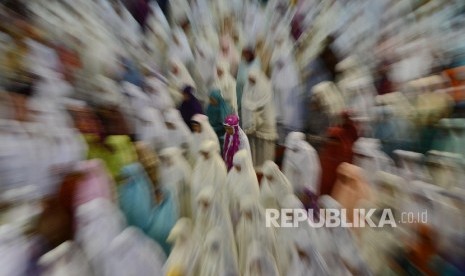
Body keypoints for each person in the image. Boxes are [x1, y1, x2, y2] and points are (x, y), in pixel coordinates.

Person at [242, 68, 277, 169]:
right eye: (249, 80)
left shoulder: (265, 89)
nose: (251, 82)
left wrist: (254, 109)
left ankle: (266, 167)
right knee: (255, 147)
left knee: (265, 148)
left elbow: (265, 104)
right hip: (253, 127)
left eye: (253, 80)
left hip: (265, 124)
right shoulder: (248, 88)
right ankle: (256, 166)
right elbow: (245, 101)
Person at [282, 132, 321, 197]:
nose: (291, 149)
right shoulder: (289, 150)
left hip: (302, 190)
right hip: (290, 187)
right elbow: (286, 169)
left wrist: (308, 192)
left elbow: (311, 173)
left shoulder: (308, 152)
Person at [191, 140, 227, 208]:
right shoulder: (200, 162)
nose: (204, 155)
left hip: (214, 198)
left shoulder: (219, 165)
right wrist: (201, 194)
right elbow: (196, 178)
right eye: (203, 153)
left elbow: (220, 183)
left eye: (206, 153)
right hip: (202, 197)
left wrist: (210, 195)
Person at [159, 147, 192, 219]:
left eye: (168, 158)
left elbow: (188, 182)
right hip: (168, 199)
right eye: (164, 158)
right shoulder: (163, 169)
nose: (166, 160)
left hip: (181, 198)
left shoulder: (182, 168)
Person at [236, 46, 261, 117]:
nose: (245, 56)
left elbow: (256, 77)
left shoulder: (256, 62)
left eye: (247, 54)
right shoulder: (242, 62)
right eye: (244, 54)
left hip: (251, 90)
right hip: (241, 89)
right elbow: (239, 75)